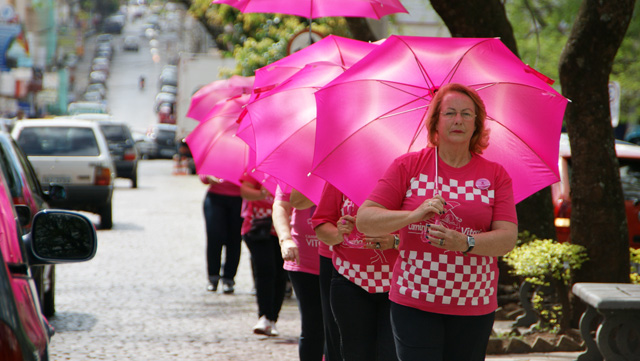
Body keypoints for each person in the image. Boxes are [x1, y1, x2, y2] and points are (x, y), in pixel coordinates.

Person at [356, 83, 518, 361]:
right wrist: (414, 215)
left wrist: (464, 242)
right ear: (435, 122)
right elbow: (365, 220)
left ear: (477, 124)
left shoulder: (495, 175)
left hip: (473, 304)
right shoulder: (408, 166)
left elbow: (507, 239)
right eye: (450, 113)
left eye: (467, 114)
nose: (458, 120)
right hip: (415, 300)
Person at [312, 183, 399, 361]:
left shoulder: (405, 175)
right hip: (349, 278)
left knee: (391, 354)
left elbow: (421, 226)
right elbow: (321, 224)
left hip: (397, 282)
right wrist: (338, 234)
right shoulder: (342, 176)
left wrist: (395, 241)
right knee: (355, 353)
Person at [272, 186, 324, 360]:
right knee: (312, 327)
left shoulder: (349, 165)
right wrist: (285, 239)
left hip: (342, 261)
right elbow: (281, 205)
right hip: (304, 261)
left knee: (339, 329)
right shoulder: (294, 167)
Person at [240, 173, 287, 336]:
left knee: (281, 274)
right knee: (266, 270)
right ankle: (264, 317)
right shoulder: (257, 168)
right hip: (258, 227)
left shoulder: (291, 169)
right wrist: (261, 194)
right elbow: (244, 190)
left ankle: (273, 318)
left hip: (282, 230)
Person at [199, 175, 243, 294]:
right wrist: (208, 177)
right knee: (214, 237)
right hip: (215, 198)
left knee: (234, 239)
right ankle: (213, 277)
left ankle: (229, 278)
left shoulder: (245, 156)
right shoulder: (216, 156)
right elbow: (202, 176)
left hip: (239, 198)